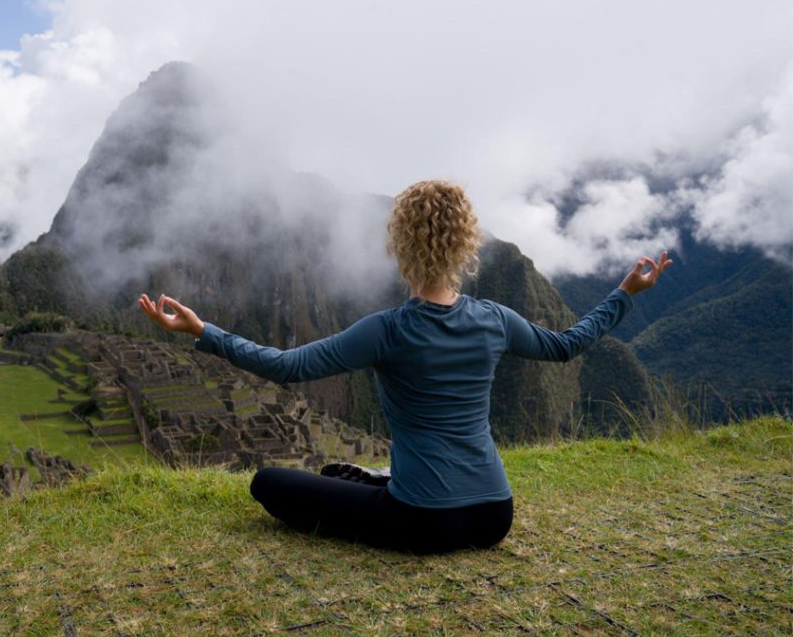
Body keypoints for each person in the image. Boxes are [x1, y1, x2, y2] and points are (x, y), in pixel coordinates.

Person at [138, 180, 671, 555]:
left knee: (269, 483)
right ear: (465, 244)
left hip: (423, 521)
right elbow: (567, 345)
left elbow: (286, 367)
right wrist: (625, 292)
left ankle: (382, 484)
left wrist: (202, 331)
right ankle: (379, 481)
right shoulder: (494, 319)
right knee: (344, 483)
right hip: (495, 515)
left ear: (399, 245)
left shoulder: (387, 330)